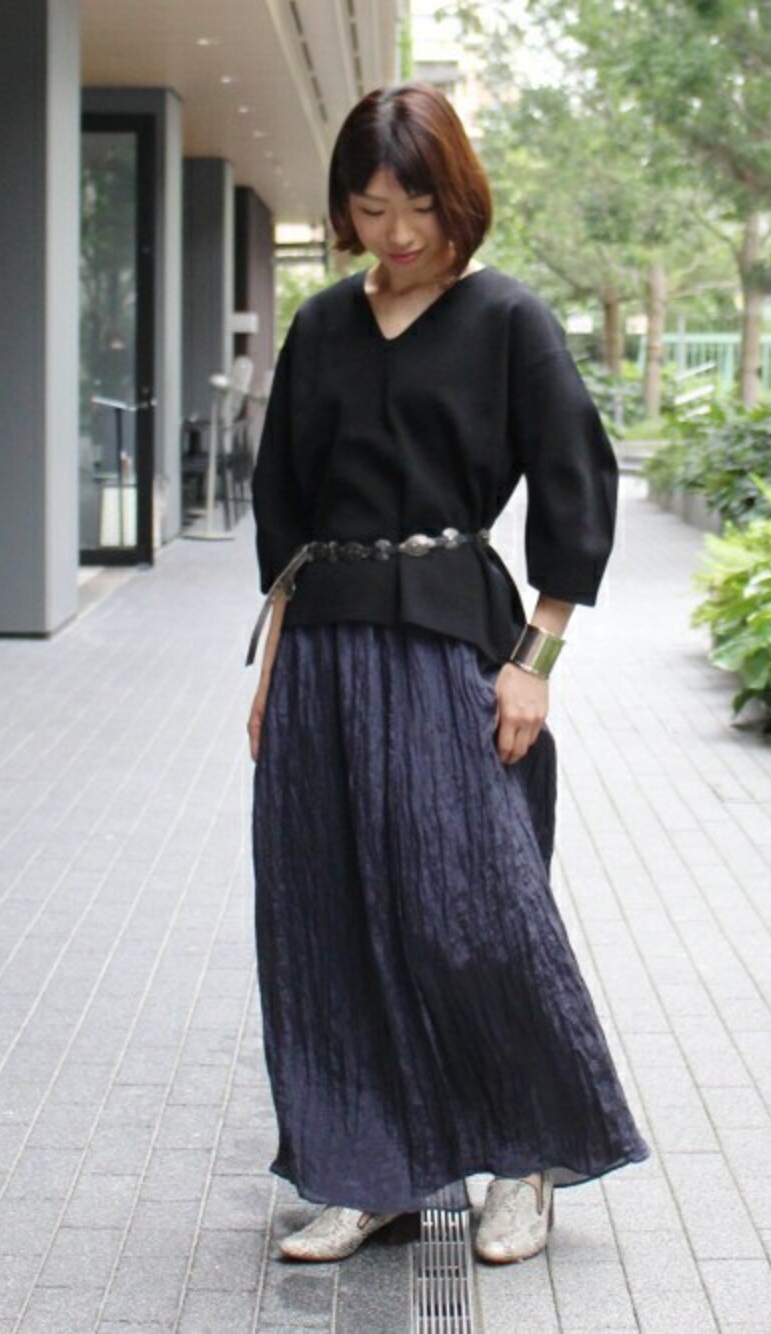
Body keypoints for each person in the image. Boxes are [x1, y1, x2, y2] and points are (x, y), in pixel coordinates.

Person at [247, 82, 649, 1266]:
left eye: (416, 206)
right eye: (372, 209)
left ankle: (525, 1159)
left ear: (456, 197)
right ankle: (367, 1166)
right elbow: (286, 507)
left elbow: (575, 482)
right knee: (327, 913)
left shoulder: (505, 318)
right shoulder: (322, 324)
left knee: (474, 912)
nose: (397, 232)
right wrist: (271, 668)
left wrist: (536, 661)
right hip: (324, 646)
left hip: (449, 644)